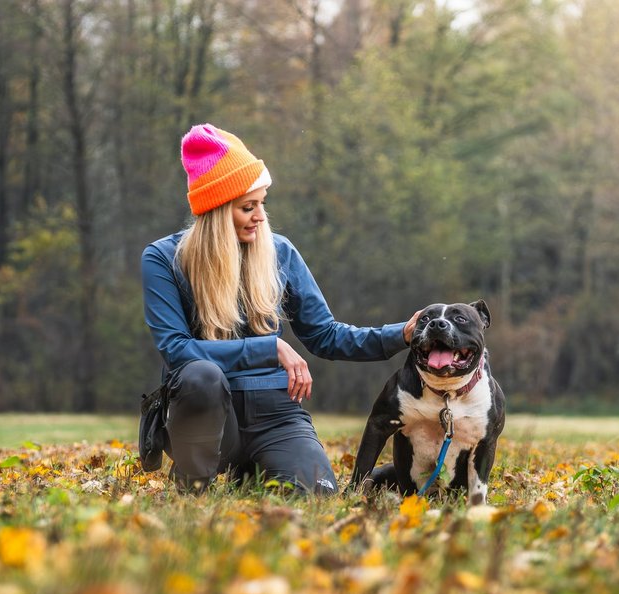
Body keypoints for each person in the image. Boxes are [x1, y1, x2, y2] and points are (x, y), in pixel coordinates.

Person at [141, 123, 419, 494]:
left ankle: (250, 472)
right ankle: (193, 485)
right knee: (200, 376)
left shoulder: (280, 252)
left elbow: (325, 335)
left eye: (262, 203)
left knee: (317, 492)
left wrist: (402, 335)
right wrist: (269, 348)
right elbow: (177, 350)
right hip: (207, 414)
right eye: (248, 207)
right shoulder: (163, 258)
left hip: (275, 412)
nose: (260, 216)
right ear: (218, 210)